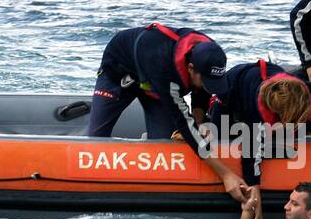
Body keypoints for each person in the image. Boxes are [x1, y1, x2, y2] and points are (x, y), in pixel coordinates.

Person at [87, 22, 249, 204]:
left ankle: (148, 141)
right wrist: (226, 174)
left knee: (165, 144)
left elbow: (201, 95)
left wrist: (200, 123)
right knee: (95, 138)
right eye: (205, 81)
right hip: (119, 71)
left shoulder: (209, 56)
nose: (208, 86)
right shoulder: (165, 68)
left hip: (153, 85)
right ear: (190, 68)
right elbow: (185, 124)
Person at [206, 60, 311, 219]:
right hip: (234, 86)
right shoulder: (255, 113)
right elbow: (250, 157)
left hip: (275, 79)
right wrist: (256, 202)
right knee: (217, 131)